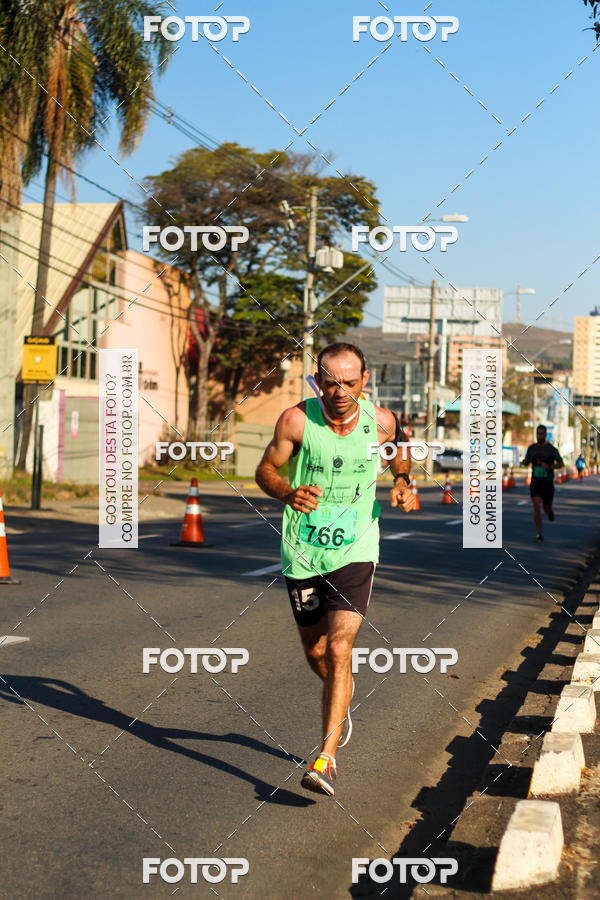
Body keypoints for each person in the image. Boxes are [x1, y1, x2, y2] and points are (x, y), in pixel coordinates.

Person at [255, 342, 416, 796]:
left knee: (341, 646)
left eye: (349, 381)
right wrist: (286, 492)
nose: (340, 390)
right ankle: (341, 694)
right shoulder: (297, 420)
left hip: (357, 547)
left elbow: (398, 450)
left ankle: (326, 759)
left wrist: (402, 480)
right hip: (303, 548)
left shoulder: (380, 420)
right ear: (318, 381)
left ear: (365, 381)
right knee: (317, 653)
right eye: (331, 381)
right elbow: (266, 468)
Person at [522, 425, 564, 542]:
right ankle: (539, 534)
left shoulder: (551, 449)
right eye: (538, 434)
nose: (539, 436)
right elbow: (527, 460)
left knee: (545, 508)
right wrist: (525, 462)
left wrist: (550, 466)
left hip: (547, 483)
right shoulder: (532, 448)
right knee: (537, 506)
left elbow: (561, 463)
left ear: (545, 435)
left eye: (542, 434)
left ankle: (549, 512)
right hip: (535, 481)